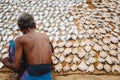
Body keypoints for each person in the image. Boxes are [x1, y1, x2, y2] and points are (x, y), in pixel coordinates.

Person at [2, 13, 54, 80]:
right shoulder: (45, 37)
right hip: (47, 74)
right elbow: (50, 55)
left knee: (12, 44)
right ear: (34, 25)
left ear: (20, 27)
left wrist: (6, 63)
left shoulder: (20, 40)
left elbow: (16, 67)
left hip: (31, 76)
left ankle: (20, 74)